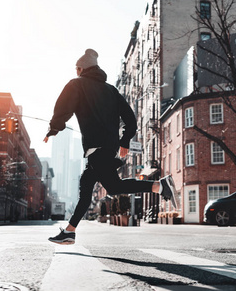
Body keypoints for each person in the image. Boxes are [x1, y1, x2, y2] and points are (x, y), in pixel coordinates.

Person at [44, 49, 176, 245]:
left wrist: (53, 129)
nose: (76, 72)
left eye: (77, 69)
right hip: (106, 148)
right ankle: (70, 231)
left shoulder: (76, 84)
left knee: (114, 187)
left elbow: (63, 108)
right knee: (86, 187)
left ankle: (158, 186)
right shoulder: (111, 90)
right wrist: (124, 141)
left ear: (81, 69)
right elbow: (130, 119)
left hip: (97, 148)